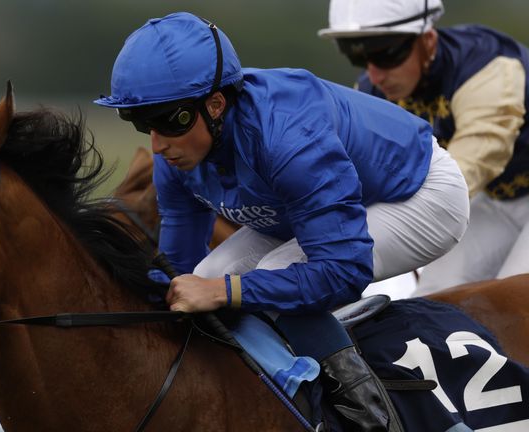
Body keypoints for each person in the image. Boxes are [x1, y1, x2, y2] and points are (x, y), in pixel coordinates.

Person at [95, 12, 468, 431]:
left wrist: (224, 291)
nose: (158, 144)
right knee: (207, 273)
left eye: (170, 121)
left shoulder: (286, 139)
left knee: (261, 279)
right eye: (142, 122)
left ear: (216, 104)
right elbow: (181, 270)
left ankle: (373, 413)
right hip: (320, 200)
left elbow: (343, 270)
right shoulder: (176, 156)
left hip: (421, 194)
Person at [318, 0, 529, 295]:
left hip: (484, 188)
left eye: (387, 56)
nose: (375, 75)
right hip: (496, 198)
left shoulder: (487, 66)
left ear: (428, 40)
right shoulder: (371, 91)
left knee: (516, 296)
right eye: (361, 60)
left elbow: (469, 167)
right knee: (433, 296)